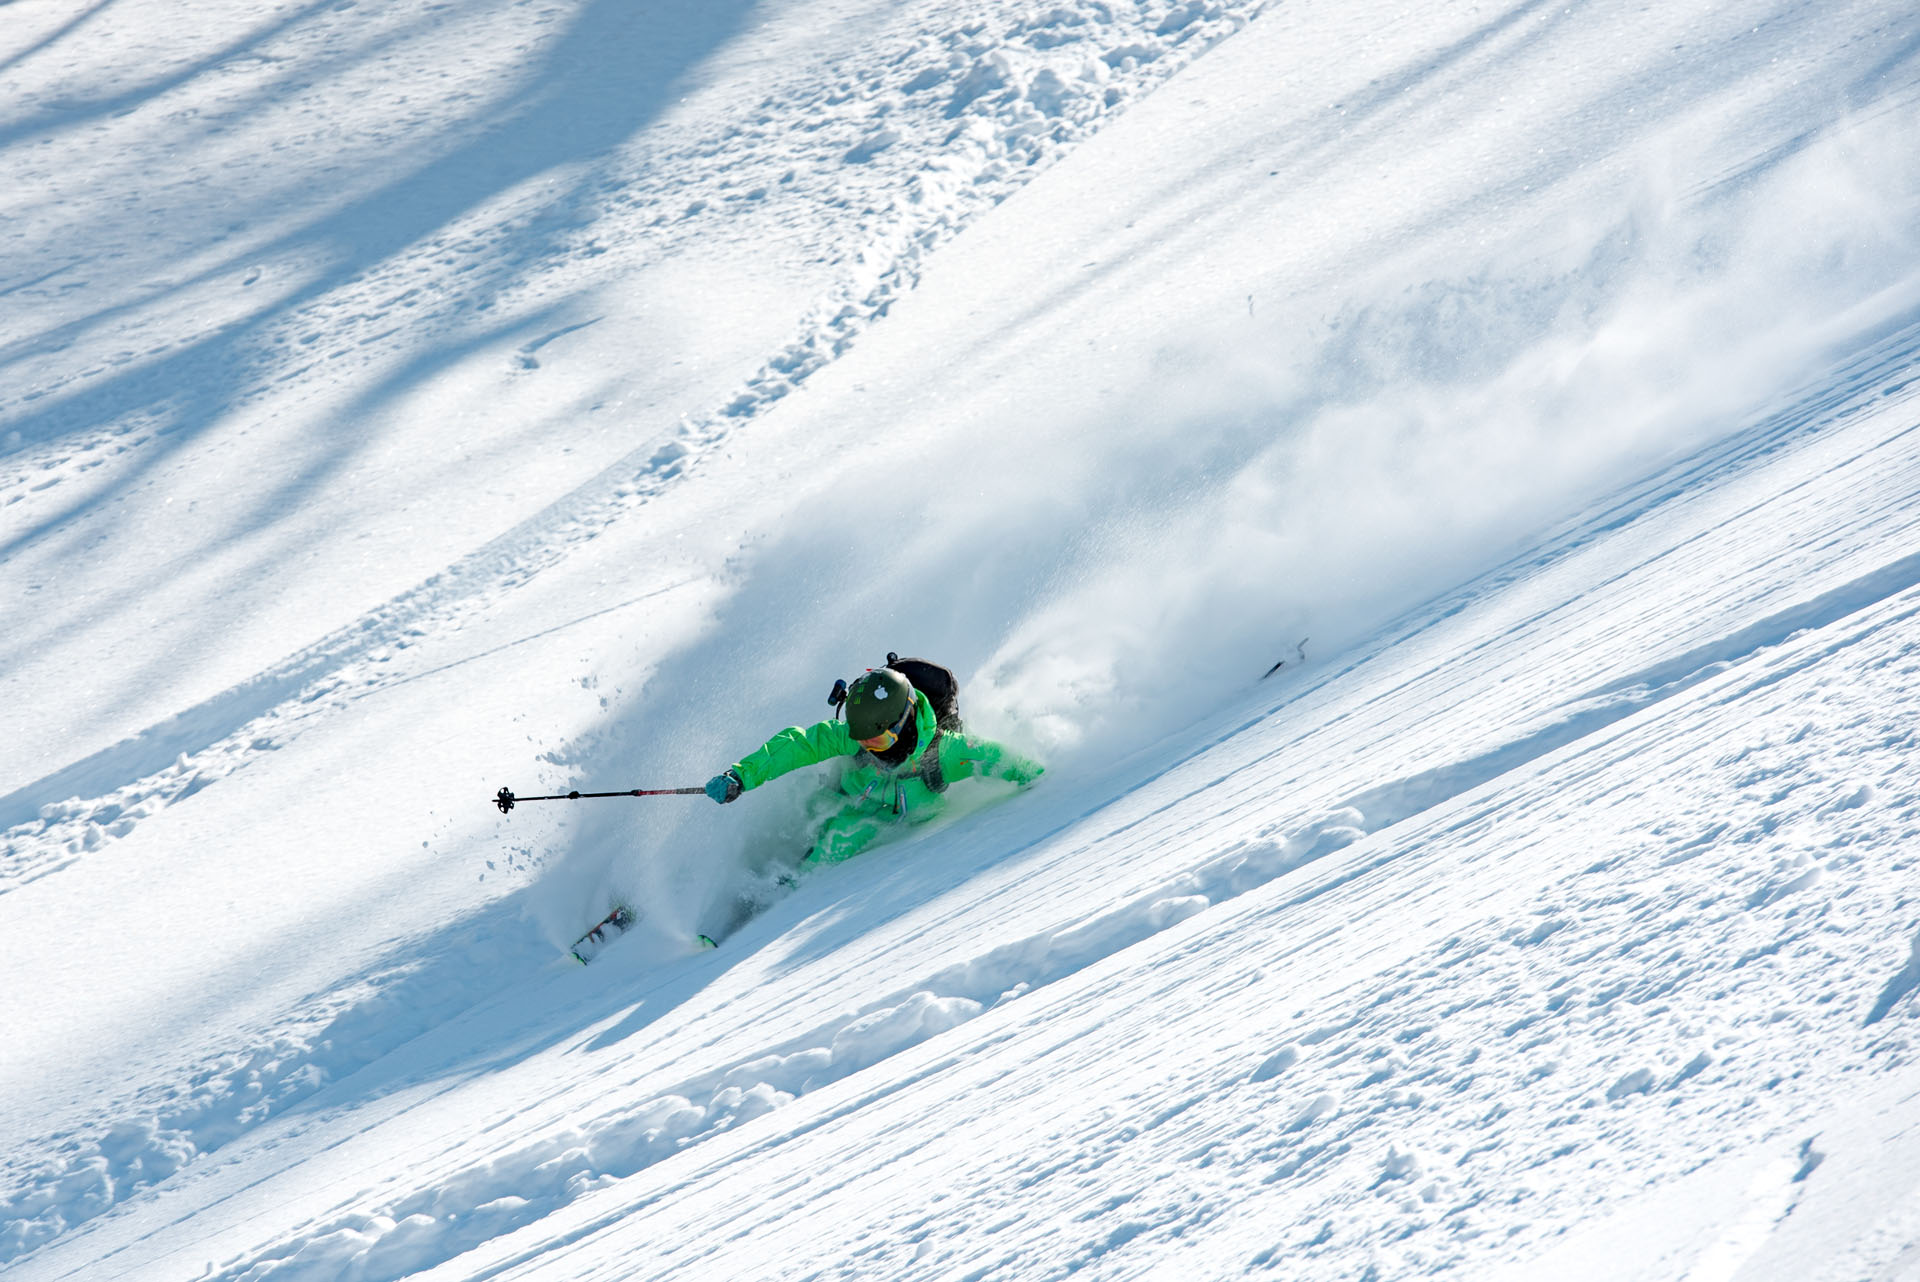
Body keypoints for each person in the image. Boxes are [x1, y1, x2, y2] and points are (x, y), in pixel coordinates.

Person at [704, 665, 1042, 865]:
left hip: (884, 827)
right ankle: (752, 901)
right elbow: (798, 744)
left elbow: (999, 759)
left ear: (902, 724)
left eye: (877, 742)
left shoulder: (944, 753)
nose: (869, 749)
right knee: (804, 837)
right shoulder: (854, 738)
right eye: (862, 741)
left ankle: (769, 907)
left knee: (828, 849)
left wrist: (1046, 784)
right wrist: (740, 776)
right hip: (838, 800)